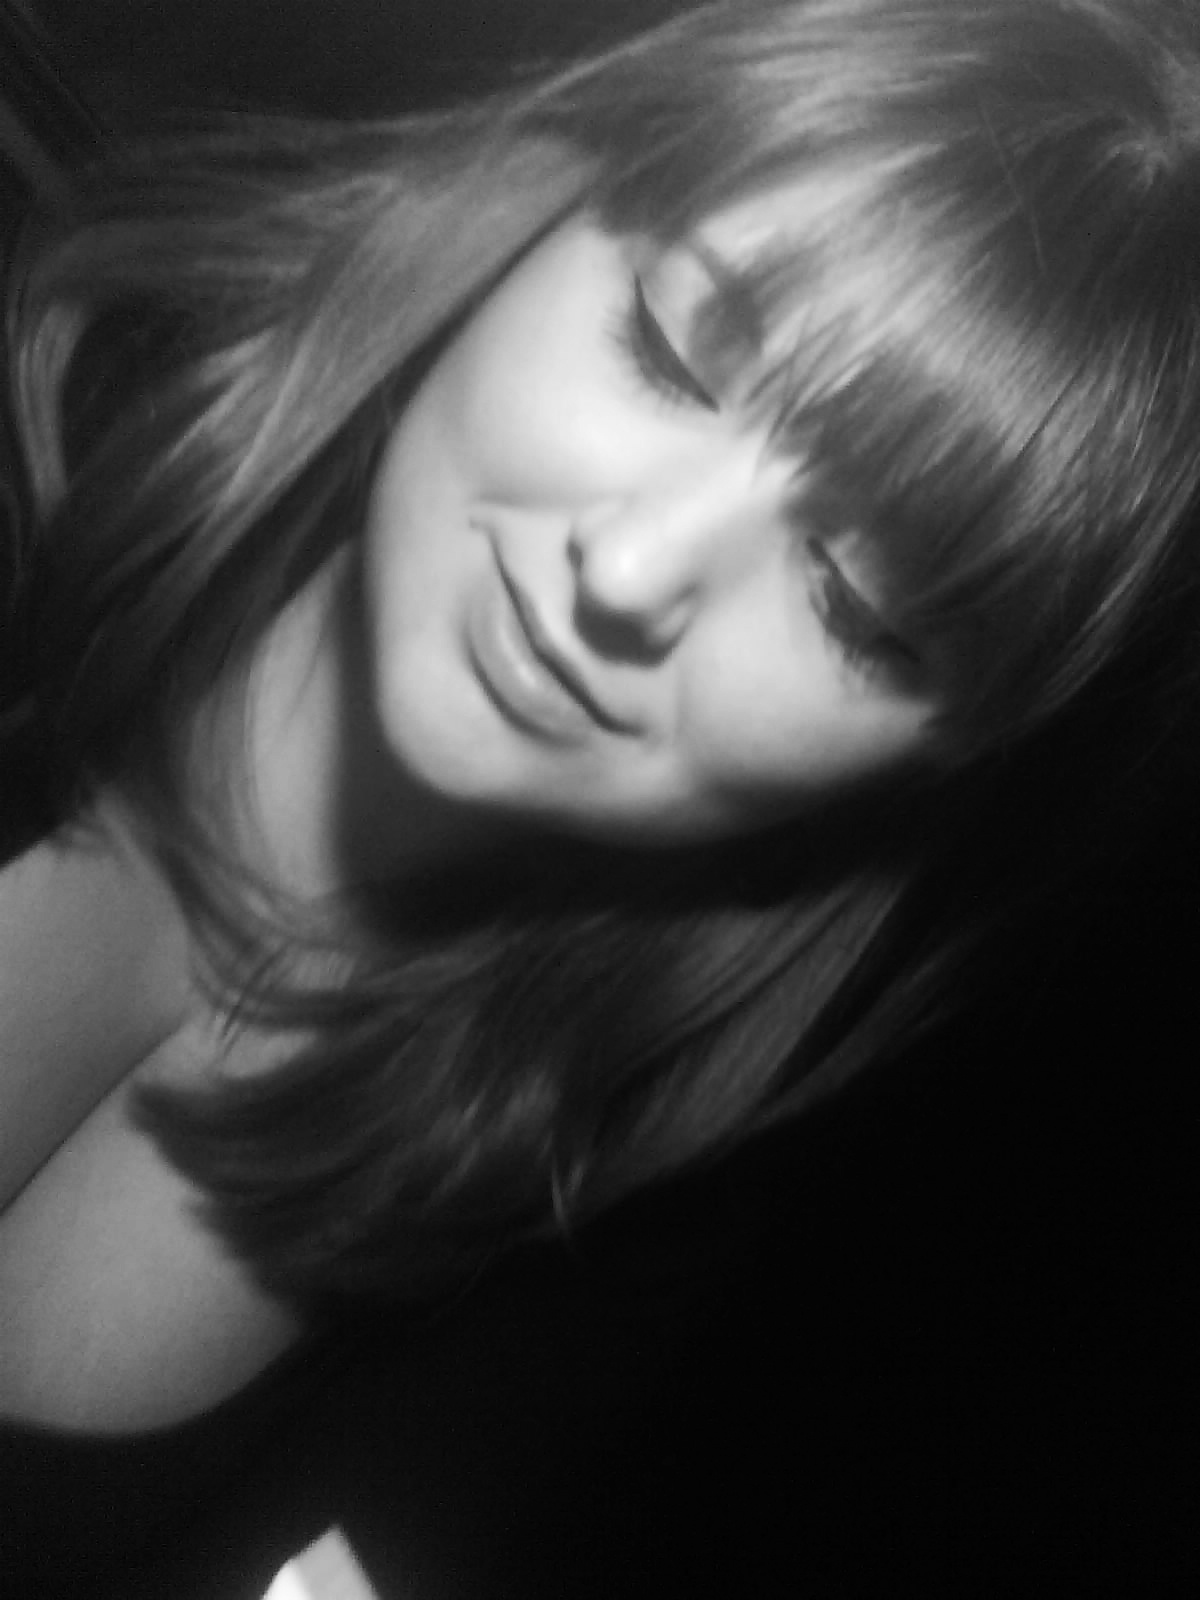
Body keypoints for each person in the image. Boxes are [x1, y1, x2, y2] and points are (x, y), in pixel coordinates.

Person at [2, 0, 1199, 1433]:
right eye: (670, 352)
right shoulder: (40, 483)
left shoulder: (585, 1239)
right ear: (548, 205)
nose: (627, 573)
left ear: (939, 766)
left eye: (854, 604)